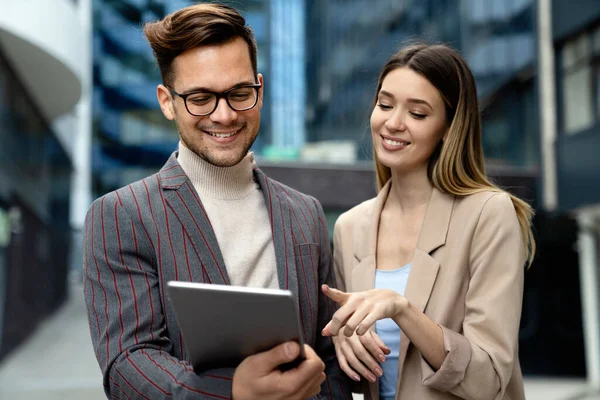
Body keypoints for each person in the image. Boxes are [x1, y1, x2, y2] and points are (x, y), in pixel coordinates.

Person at [82, 3, 351, 399]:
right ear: (166, 101)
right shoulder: (121, 214)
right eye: (201, 98)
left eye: (239, 93)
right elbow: (128, 364)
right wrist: (234, 393)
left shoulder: (305, 213)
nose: (224, 115)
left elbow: (330, 356)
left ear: (258, 88)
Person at [320, 43, 536, 400]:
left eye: (417, 114)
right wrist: (345, 342)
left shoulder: (488, 214)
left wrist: (403, 310)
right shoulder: (350, 227)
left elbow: (490, 378)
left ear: (448, 129)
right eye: (385, 105)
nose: (392, 122)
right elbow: (364, 375)